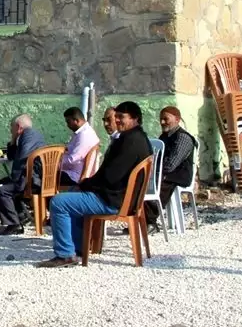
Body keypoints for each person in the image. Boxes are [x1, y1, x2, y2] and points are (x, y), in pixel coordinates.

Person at [36, 101, 154, 268]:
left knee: (59, 202)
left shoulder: (129, 142)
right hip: (120, 197)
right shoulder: (137, 138)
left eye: (122, 117)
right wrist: (85, 185)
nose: (117, 121)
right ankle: (77, 249)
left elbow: (110, 176)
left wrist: (86, 184)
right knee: (72, 193)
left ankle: (64, 254)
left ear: (135, 118)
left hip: (112, 200)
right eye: (117, 117)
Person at [144, 107, 199, 230]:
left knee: (158, 183)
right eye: (161, 119)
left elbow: (171, 165)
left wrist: (154, 171)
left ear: (177, 119)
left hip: (179, 175)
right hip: (165, 172)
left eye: (166, 119)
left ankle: (150, 221)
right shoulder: (164, 136)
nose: (162, 122)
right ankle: (140, 219)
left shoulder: (183, 138)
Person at [0, 114, 47, 235]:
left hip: (33, 179)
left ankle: (13, 224)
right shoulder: (32, 135)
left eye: (11, 128)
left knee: (2, 190)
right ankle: (21, 217)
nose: (10, 130)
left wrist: (13, 179)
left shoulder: (28, 136)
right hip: (35, 177)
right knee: (3, 184)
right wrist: (13, 139)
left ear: (18, 126)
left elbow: (22, 159)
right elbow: (12, 157)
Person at [58, 107, 102, 188]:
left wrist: (55, 164)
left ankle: (40, 199)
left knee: (44, 175)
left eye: (68, 122)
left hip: (74, 176)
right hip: (70, 171)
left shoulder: (85, 135)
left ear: (76, 121)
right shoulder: (80, 133)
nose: (67, 125)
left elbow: (73, 159)